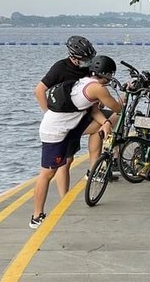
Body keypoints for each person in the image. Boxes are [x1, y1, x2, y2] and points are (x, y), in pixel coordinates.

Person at [30, 54, 124, 229]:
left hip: (70, 127)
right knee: (47, 174)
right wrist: (122, 99)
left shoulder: (85, 81)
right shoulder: (98, 89)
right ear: (105, 74)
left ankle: (92, 168)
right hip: (55, 133)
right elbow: (117, 108)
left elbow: (95, 111)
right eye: (110, 75)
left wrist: (104, 123)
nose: (111, 79)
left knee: (97, 127)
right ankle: (36, 217)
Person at [33, 35, 97, 202]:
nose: (87, 62)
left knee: (104, 124)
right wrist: (48, 113)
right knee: (65, 161)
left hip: (81, 116)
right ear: (74, 57)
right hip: (64, 120)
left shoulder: (87, 68)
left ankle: (93, 168)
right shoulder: (60, 68)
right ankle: (64, 198)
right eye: (84, 59)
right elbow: (39, 91)